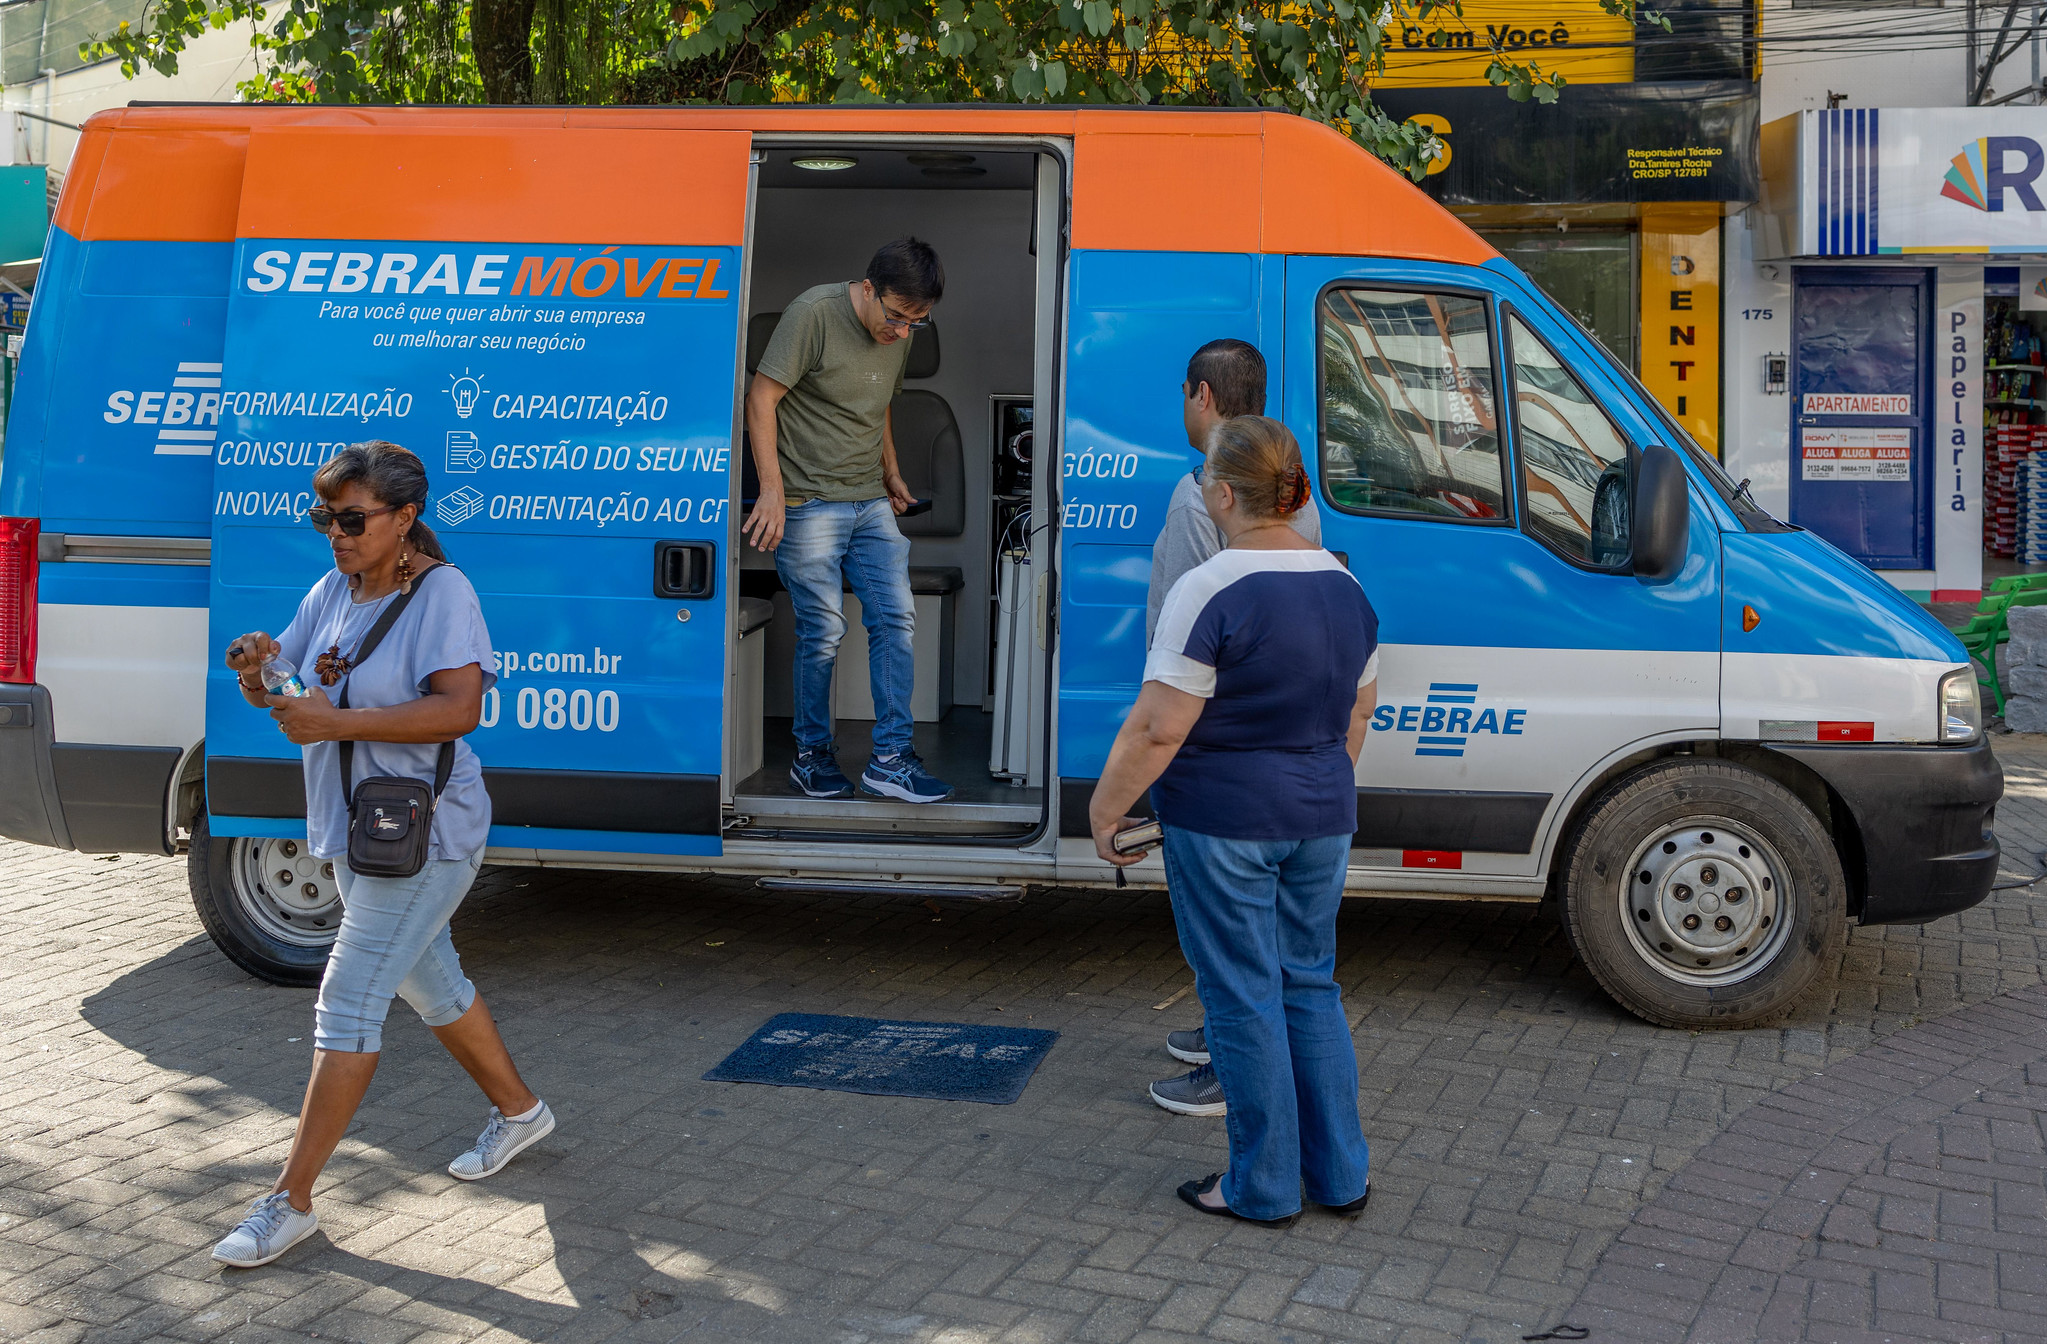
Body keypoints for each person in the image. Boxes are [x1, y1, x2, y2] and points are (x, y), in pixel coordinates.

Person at [211, 442, 550, 1268]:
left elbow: (459, 709)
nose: (334, 531)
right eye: (324, 515)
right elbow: (294, 694)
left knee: (347, 1004)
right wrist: (260, 673)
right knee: (432, 979)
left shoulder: (443, 593)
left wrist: (336, 724)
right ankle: (522, 1112)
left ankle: (289, 1201)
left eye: (352, 518)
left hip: (428, 833)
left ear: (403, 519)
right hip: (355, 831)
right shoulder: (332, 589)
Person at [1091, 415, 1377, 1227]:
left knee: (1242, 997)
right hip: (1322, 816)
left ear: (1221, 492)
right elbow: (1360, 712)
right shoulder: (1345, 585)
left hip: (1223, 823)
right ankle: (1339, 1176)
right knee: (1308, 987)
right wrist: (1313, 786)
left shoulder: (1208, 587)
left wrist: (1107, 809)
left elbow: (1158, 727)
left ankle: (1260, 1185)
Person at [1145, 339, 1322, 1118]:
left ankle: (1230, 1066)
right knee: (1274, 940)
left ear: (1204, 398)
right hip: (1285, 752)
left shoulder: (1201, 498)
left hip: (1218, 746)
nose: (1183, 407)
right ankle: (1230, 1042)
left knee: (1225, 927)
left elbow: (1193, 640)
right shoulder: (1290, 493)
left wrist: (1163, 760)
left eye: (1186, 394)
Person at [743, 237, 954, 805]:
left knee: (896, 620)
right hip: (808, 501)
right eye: (897, 316)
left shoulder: (898, 333)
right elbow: (761, 398)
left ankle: (891, 761)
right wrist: (771, 492)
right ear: (867, 290)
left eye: (918, 322)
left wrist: (890, 472)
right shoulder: (813, 313)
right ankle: (811, 756)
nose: (903, 331)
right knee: (825, 631)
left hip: (869, 502)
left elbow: (878, 400)